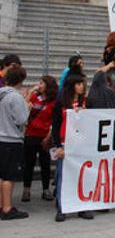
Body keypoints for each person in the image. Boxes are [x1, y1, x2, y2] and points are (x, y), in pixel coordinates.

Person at [51, 74, 93, 222]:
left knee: (82, 176)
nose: (82, 86)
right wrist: (57, 146)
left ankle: (82, 207)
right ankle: (62, 208)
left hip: (82, 144)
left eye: (83, 83)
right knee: (63, 177)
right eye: (78, 83)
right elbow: (55, 126)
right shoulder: (61, 103)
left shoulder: (87, 101)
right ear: (71, 85)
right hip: (65, 144)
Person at [0, 66, 30, 220]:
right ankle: (7, 208)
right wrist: (27, 105)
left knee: (3, 175)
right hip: (11, 139)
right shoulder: (15, 97)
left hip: (1, 137)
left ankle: (2, 205)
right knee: (9, 176)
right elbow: (22, 119)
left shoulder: (2, 93)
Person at [22, 76, 57, 203]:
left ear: (48, 85)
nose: (39, 85)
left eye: (42, 83)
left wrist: (49, 136)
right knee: (29, 163)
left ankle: (45, 189)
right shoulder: (35, 97)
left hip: (44, 136)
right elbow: (22, 109)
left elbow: (54, 120)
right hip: (31, 134)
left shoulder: (54, 101)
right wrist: (31, 92)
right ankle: (26, 189)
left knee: (45, 163)